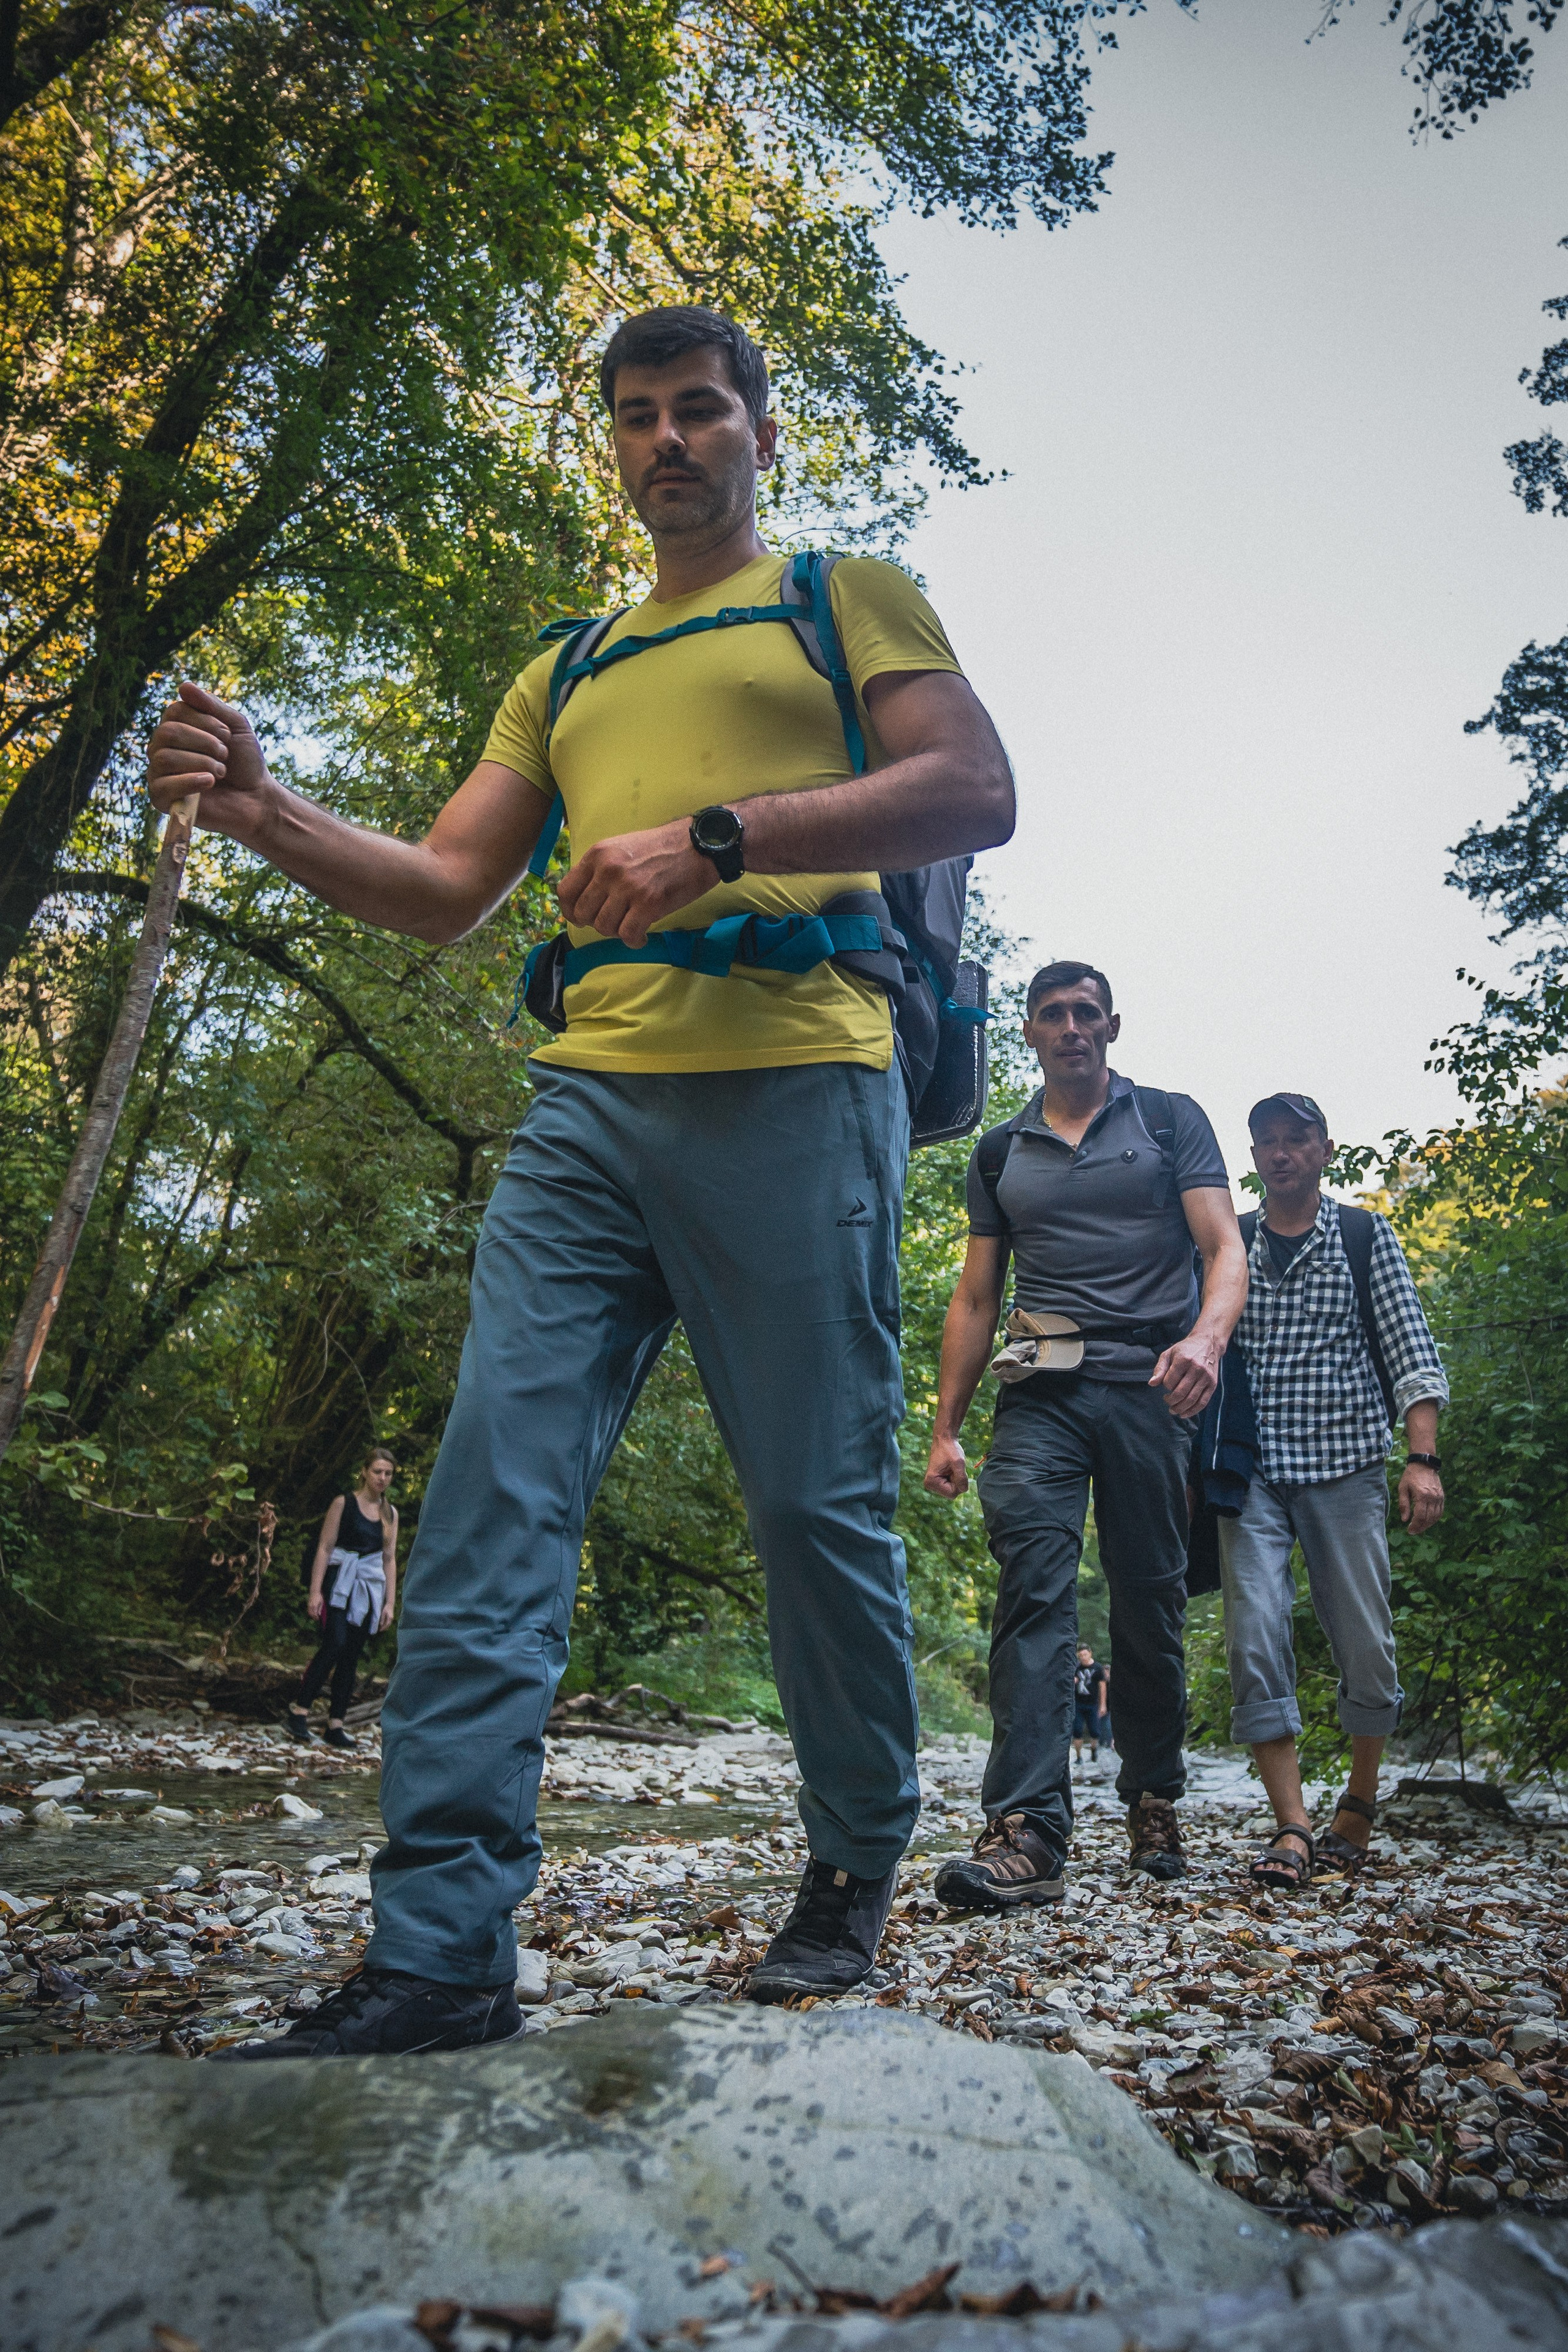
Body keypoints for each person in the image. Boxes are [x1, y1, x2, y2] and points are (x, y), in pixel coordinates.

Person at [147, 303, 1014, 2056]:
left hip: (802, 1082)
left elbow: (973, 789)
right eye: (636, 417)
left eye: (701, 409)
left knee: (811, 1508)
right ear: (612, 446)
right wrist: (263, 809)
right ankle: (441, 1951)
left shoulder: (842, 599)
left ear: (760, 431)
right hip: (587, 1110)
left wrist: (723, 840)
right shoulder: (566, 663)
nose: (668, 440)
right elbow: (450, 883)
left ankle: (851, 1863)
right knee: (489, 1501)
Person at [923, 962, 1247, 1906]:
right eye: (1053, 1015)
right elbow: (978, 1294)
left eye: (1086, 1014)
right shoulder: (1001, 1151)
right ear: (1028, 1031)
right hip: (1040, 1392)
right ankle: (1027, 1827)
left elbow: (1223, 1247)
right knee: (1033, 1586)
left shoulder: (1169, 1121)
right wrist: (946, 1423)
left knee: (1148, 1601)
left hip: (1153, 1387)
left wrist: (1205, 1340)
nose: (1071, 1027)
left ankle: (1151, 1794)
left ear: (1112, 1027)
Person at [1221, 1093, 1448, 1890]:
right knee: (1253, 1632)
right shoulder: (1232, 1242)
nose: (1281, 1153)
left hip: (1348, 1467)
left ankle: (1358, 1800)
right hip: (1252, 1478)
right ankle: (1292, 1825)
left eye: (1297, 1140)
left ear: (1323, 1150)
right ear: (1255, 1155)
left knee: (1365, 1641)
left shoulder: (1362, 1235)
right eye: (1268, 1142)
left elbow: (1410, 1347)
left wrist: (1422, 1460)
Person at [285, 1448, 399, 1751]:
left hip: (367, 1586)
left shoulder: (390, 1513)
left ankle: (336, 1724)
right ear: (364, 1471)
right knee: (334, 1642)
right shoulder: (343, 1503)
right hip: (339, 1580)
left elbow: (389, 1559)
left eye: (388, 1473)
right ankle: (299, 1710)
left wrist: (389, 1602)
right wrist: (315, 1591)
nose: (382, 1478)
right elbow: (324, 1548)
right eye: (377, 1472)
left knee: (352, 1653)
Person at [1071, 1645, 1106, 1766]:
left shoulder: (1097, 1668)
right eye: (1081, 1656)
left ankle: (1094, 1751)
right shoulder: (1076, 1667)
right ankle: (1079, 1756)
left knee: (1095, 1731)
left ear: (1090, 1654)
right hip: (1078, 1703)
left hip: (1092, 1704)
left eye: (1085, 1655)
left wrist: (1103, 1705)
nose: (1083, 1658)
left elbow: (1102, 1687)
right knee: (1077, 1730)